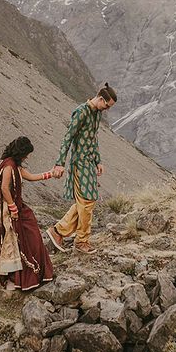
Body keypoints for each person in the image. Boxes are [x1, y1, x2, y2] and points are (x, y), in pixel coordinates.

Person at [48, 83, 117, 255]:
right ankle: (81, 241)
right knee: (86, 202)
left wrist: (98, 161)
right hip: (79, 164)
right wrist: (59, 163)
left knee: (88, 202)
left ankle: (58, 231)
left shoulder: (97, 114)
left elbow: (93, 139)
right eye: (107, 105)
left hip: (89, 163)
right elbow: (67, 138)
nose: (107, 109)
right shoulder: (81, 112)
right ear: (101, 99)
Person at [0, 136, 55, 291]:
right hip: (10, 209)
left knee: (31, 236)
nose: (27, 157)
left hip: (17, 206)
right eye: (26, 154)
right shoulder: (9, 166)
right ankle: (17, 278)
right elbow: (4, 188)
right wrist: (13, 209)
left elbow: (31, 177)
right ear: (20, 152)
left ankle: (31, 276)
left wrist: (50, 174)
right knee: (17, 241)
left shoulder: (15, 165)